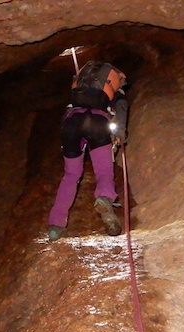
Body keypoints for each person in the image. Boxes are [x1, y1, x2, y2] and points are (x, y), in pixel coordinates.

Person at [47, 60, 128, 241]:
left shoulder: (80, 85)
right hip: (97, 122)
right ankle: (104, 199)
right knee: (104, 171)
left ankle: (56, 225)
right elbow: (121, 108)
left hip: (71, 123)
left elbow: (68, 107)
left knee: (71, 175)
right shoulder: (115, 89)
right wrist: (120, 132)